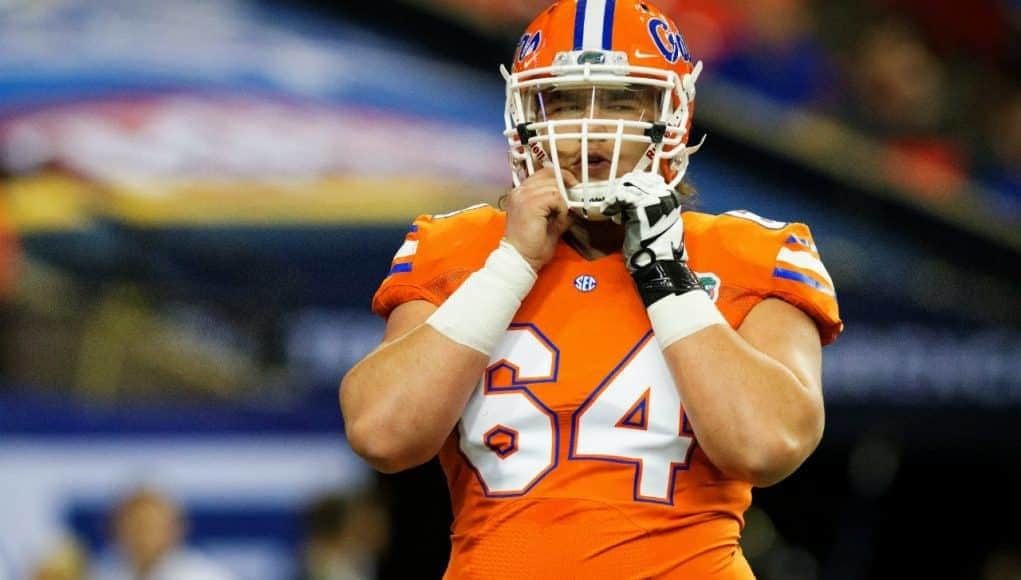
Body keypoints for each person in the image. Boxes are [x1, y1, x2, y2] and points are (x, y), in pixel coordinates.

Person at [340, 1, 843, 577]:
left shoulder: (753, 251)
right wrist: (510, 267)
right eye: (565, 101)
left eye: (623, 100)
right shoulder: (456, 247)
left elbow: (767, 444)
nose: (591, 127)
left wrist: (666, 276)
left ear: (672, 114)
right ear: (525, 115)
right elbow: (381, 433)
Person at [90, 487, 233, 580]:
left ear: (175, 529)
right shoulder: (105, 572)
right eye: (134, 525)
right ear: (115, 529)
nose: (142, 536)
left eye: (151, 526)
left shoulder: (202, 575)